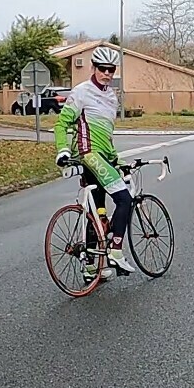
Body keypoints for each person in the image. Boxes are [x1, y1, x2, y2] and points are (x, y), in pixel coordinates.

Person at [53, 45, 137, 280]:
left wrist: (116, 159)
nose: (107, 73)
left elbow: (106, 135)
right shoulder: (81, 92)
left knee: (97, 211)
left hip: (102, 155)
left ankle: (90, 268)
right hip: (88, 154)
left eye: (111, 69)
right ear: (93, 68)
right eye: (102, 69)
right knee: (124, 199)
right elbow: (61, 124)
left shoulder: (111, 97)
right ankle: (116, 251)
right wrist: (62, 150)